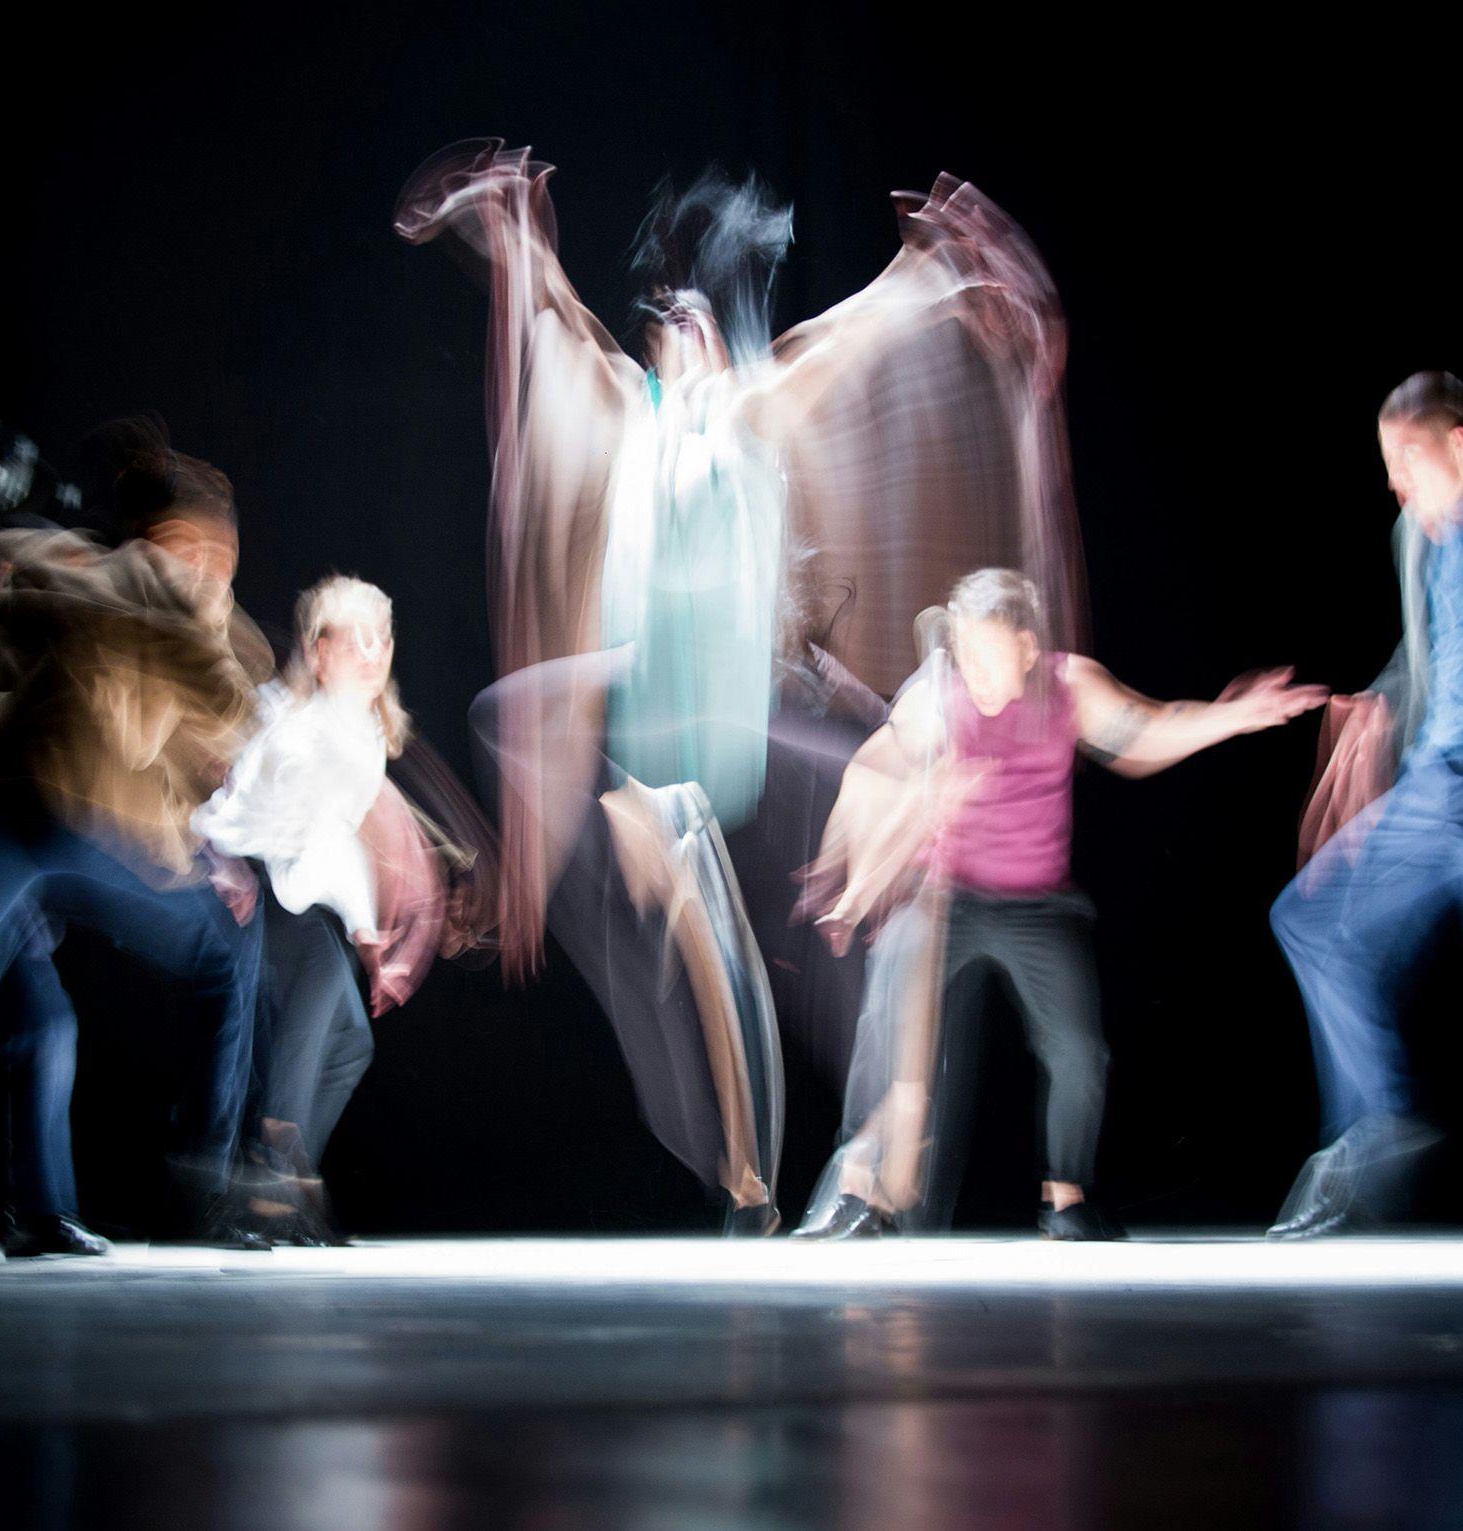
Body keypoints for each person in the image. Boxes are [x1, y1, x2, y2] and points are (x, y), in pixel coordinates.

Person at [397, 141, 1087, 1231]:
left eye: (699, 330)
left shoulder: (755, 405)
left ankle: (874, 1160)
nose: (683, 344)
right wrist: (515, 233)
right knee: (653, 894)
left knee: (875, 854)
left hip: (727, 712)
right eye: (670, 335)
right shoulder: (637, 404)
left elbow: (844, 341)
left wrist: (936, 278)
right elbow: (563, 328)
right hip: (651, 728)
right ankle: (746, 1182)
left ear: (722, 341)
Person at [796, 568, 1324, 1240]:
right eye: (965, 657)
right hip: (943, 899)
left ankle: (1064, 1198)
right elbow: (873, 769)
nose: (977, 676)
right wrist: (849, 875)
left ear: (1024, 648)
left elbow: (1149, 729)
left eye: (990, 658)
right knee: (897, 1039)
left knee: (1076, 1050)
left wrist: (1230, 717)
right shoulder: (940, 699)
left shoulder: (1068, 685)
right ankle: (858, 1193)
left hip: (1035, 905)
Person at [0, 432, 269, 1255]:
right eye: (206, 555)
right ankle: (154, 1199)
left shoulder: (133, 591)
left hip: (38, 823)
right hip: (38, 811)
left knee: (28, 1014)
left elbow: (207, 730)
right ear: (176, 542)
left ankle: (62, 1209)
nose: (212, 575)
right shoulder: (107, 571)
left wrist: (208, 844)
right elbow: (226, 699)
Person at [195, 575, 480, 1242]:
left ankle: (286, 1185)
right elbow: (289, 844)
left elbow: (336, 846)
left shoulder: (356, 729)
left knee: (348, 1045)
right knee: (322, 982)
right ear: (318, 652)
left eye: (382, 638)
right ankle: (269, 1179)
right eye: (355, 639)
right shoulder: (307, 729)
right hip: (261, 894)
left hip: (292, 895)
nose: (373, 651)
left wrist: (368, 933)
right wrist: (362, 932)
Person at [1269, 371, 1463, 1239]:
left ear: (1456, 445)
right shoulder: (1414, 538)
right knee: (1312, 919)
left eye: (1407, 461)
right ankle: (1373, 1134)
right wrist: (1379, 709)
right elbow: (1426, 656)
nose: (1395, 484)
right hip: (1437, 789)